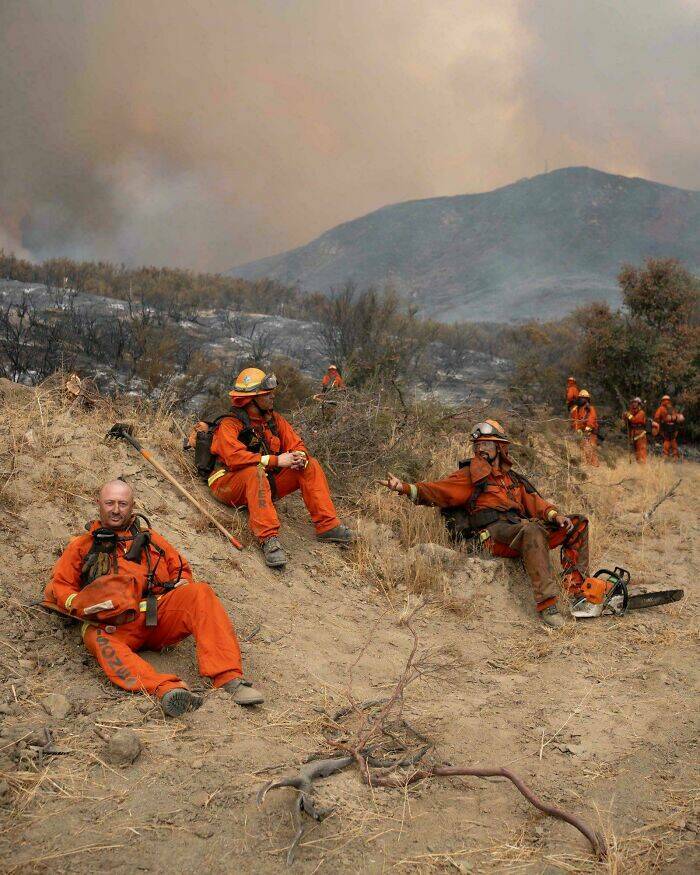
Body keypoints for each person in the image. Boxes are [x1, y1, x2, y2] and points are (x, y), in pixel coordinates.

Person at [43, 480, 263, 717]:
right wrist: (80, 605)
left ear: (132, 506)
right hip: (112, 626)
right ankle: (167, 689)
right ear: (99, 504)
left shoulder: (152, 540)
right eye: (110, 503)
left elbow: (181, 569)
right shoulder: (82, 546)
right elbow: (60, 586)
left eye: (122, 503)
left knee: (200, 592)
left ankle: (229, 678)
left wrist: (183, 584)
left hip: (155, 616)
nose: (116, 509)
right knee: (97, 637)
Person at [380, 420, 590, 629]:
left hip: (521, 531)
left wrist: (555, 516)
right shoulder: (471, 474)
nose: (480, 448)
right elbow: (439, 490)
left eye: (486, 444)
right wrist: (405, 488)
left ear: (500, 447)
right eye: (477, 444)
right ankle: (548, 606)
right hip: (494, 535)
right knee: (533, 530)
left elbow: (536, 502)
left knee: (577, 523)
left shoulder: (513, 479)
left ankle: (576, 591)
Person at [208, 367, 353, 567]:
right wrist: (275, 460)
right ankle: (268, 539)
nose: (272, 396)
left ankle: (327, 526)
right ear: (251, 399)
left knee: (310, 465)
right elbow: (234, 458)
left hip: (261, 483)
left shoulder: (274, 420)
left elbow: (297, 444)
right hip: (227, 484)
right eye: (266, 394)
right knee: (254, 471)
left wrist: (299, 456)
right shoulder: (230, 425)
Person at [570, 389, 599, 466]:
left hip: (590, 432)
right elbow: (574, 421)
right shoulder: (576, 409)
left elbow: (592, 419)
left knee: (590, 449)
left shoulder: (590, 408)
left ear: (587, 399)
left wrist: (587, 429)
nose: (582, 399)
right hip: (581, 432)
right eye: (581, 398)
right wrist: (577, 430)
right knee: (583, 449)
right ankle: (587, 466)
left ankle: (594, 466)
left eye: (584, 398)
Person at [653, 395, 684, 461]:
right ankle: (674, 456)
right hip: (672, 427)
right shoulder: (671, 408)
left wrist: (660, 422)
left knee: (667, 441)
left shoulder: (661, 408)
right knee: (673, 441)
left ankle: (666, 455)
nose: (666, 402)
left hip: (667, 427)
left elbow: (656, 418)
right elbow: (676, 418)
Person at [623, 397, 647, 464]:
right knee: (636, 452)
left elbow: (635, 420)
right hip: (633, 434)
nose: (634, 404)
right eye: (633, 402)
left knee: (641, 452)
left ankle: (643, 467)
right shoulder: (631, 412)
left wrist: (628, 415)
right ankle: (639, 466)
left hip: (640, 434)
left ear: (639, 404)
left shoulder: (641, 413)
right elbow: (627, 421)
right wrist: (625, 416)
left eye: (635, 402)